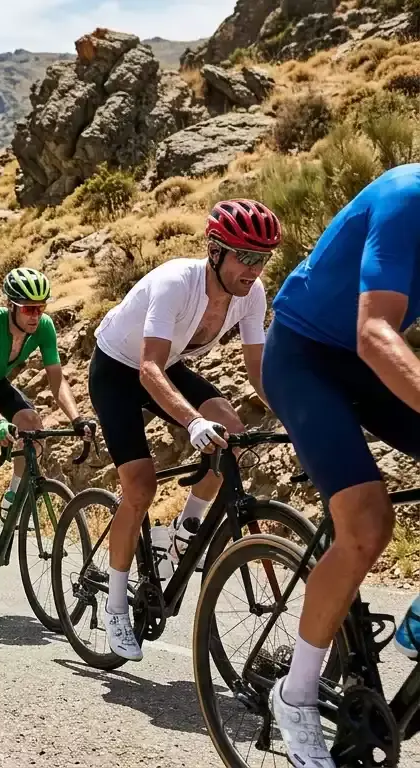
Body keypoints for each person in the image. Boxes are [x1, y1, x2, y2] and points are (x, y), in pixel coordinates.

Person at [259, 164, 420, 767]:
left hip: (362, 358)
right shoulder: (408, 199)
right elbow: (376, 329)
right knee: (369, 524)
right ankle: (295, 695)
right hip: (305, 357)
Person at [88, 199, 279, 663]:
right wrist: (192, 422)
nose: (254, 268)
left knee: (230, 435)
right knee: (140, 487)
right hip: (118, 370)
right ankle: (115, 604)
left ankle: (184, 527)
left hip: (166, 367)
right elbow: (147, 367)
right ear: (215, 250)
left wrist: (296, 414)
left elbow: (258, 370)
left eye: (263, 258)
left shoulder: (252, 294)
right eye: (245, 256)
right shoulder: (177, 281)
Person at [0, 267, 95, 604]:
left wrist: (77, 417)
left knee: (31, 423)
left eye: (41, 307)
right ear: (10, 305)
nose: (35, 315)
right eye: (28, 308)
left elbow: (57, 380)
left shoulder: (43, 327)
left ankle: (12, 495)